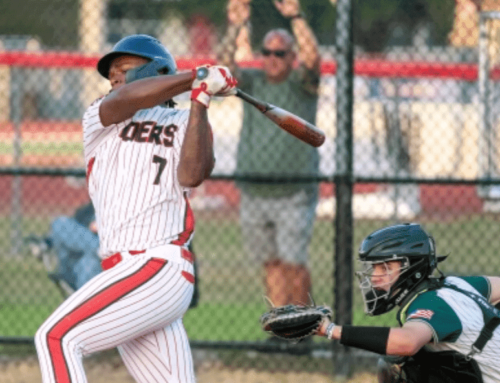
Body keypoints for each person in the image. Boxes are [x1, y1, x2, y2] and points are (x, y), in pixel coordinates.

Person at [34, 34, 236, 383]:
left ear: (156, 72)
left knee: (56, 338)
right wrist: (196, 76)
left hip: (158, 265)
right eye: (111, 73)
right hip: (124, 272)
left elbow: (193, 174)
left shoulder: (183, 123)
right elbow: (126, 98)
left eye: (124, 69)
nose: (113, 78)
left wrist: (201, 101)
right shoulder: (100, 118)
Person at [220, 0, 321, 317]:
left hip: (293, 191)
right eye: (267, 52)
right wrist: (236, 25)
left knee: (294, 264)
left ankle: (304, 324)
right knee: (272, 264)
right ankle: (282, 327)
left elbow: (314, 59)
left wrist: (295, 17)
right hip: (254, 189)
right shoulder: (253, 84)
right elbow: (222, 66)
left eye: (281, 53)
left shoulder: (300, 86)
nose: (272, 58)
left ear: (292, 57)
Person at [314, 223, 500, 383]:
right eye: (374, 268)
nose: (374, 277)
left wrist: (331, 330)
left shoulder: (431, 303)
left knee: (401, 366)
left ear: (412, 268)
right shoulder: (456, 284)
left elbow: (407, 342)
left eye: (385, 267)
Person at [26, 201, 101, 294]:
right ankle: (99, 248)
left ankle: (100, 248)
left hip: (97, 267)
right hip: (73, 265)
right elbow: (73, 229)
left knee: (90, 261)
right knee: (60, 223)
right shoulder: (90, 209)